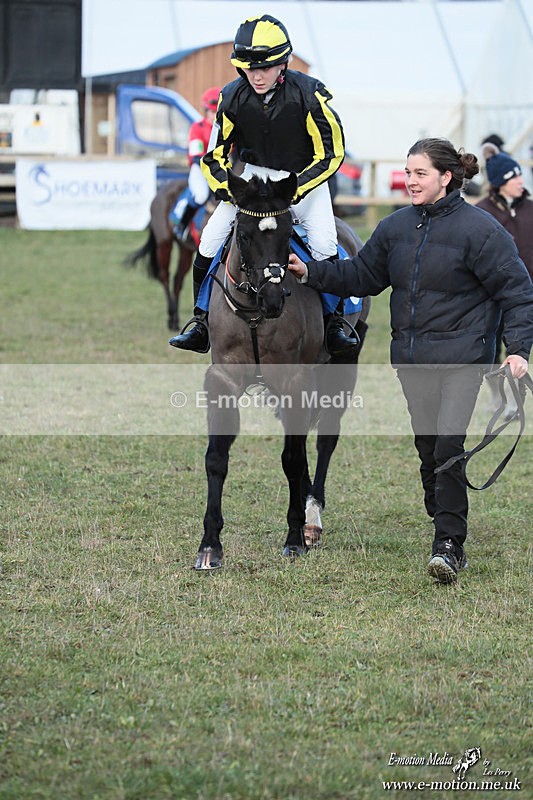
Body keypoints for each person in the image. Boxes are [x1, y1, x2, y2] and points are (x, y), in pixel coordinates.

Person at [287, 137, 533, 584]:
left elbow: (517, 292)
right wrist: (312, 272)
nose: (410, 180)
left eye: (420, 173)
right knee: (427, 447)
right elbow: (363, 276)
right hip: (412, 358)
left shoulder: (480, 230)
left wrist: (517, 350)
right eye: (408, 172)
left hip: (465, 358)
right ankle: (441, 512)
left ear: (446, 177)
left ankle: (449, 544)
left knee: (447, 445)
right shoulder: (396, 227)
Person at [169, 13, 358, 356]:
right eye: (249, 68)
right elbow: (212, 156)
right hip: (251, 184)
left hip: (302, 182)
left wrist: (296, 188)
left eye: (265, 67)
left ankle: (334, 323)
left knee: (323, 244)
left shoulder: (310, 96)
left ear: (283, 63)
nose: (256, 75)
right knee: (210, 240)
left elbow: (332, 153)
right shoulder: (230, 97)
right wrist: (232, 191)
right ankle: (199, 321)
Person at [476, 152, 533, 415]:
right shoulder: (481, 213)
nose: (520, 180)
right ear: (499, 182)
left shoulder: (531, 210)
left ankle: (516, 398)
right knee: (493, 350)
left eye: (521, 174)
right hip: (493, 296)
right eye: (514, 177)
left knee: (521, 347)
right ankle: (501, 398)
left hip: (527, 293)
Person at [168, 86, 221, 241]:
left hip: (221, 169)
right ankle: (181, 225)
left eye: (216, 112)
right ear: (206, 111)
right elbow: (197, 155)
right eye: (211, 112)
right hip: (201, 169)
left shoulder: (227, 129)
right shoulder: (197, 128)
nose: (214, 115)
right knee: (200, 195)